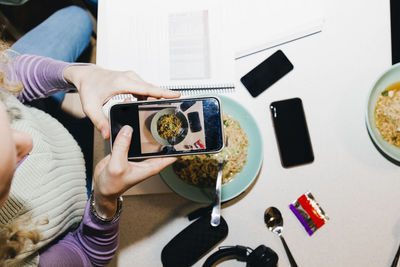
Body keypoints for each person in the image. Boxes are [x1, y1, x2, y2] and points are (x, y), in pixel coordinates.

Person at [0, 51, 181, 266]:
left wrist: (78, 74)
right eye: (12, 162)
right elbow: (87, 254)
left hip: (47, 123)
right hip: (76, 187)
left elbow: (9, 76)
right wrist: (104, 200)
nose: (27, 140)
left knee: (77, 18)